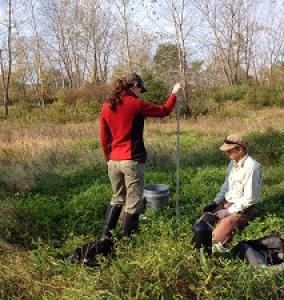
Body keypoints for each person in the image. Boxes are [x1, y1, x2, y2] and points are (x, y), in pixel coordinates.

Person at [99, 73, 181, 240]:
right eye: (140, 90)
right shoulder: (135, 104)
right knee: (133, 201)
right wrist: (174, 93)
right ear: (135, 85)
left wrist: (108, 157)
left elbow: (103, 136)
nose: (140, 93)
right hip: (132, 160)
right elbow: (164, 110)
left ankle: (105, 236)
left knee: (117, 198)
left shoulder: (107, 106)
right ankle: (126, 241)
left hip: (113, 161)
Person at [197, 133, 262, 252]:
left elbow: (250, 198)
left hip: (243, 209)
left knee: (214, 239)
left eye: (229, 151)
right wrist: (215, 202)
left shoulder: (252, 167)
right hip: (227, 203)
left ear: (240, 149)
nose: (227, 153)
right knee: (200, 224)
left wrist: (227, 212)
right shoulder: (232, 164)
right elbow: (226, 186)